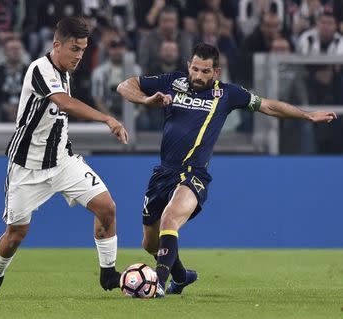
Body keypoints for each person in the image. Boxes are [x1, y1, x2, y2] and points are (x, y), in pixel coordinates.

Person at [116, 42, 336, 298]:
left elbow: (268, 105)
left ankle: (159, 286)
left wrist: (307, 116)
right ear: (189, 65)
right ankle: (181, 276)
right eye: (195, 69)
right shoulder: (172, 82)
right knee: (150, 243)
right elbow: (125, 85)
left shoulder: (228, 94)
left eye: (205, 71)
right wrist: (146, 99)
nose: (198, 76)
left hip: (194, 174)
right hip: (163, 172)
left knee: (170, 218)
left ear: (216, 72)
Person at [0, 17, 129, 298]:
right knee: (15, 235)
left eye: (83, 49)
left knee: (107, 208)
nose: (79, 55)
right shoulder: (39, 69)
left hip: (62, 161)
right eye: (74, 48)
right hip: (27, 166)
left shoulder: (65, 71)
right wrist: (107, 118)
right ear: (56, 45)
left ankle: (108, 274)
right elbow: (65, 103)